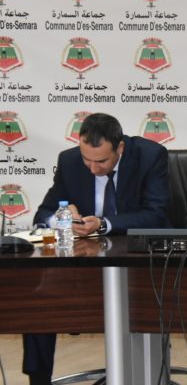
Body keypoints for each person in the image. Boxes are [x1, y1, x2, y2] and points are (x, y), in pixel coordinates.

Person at [26, 113, 170, 385]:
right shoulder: (69, 161)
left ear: (120, 148)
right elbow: (42, 215)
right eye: (87, 160)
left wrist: (103, 224)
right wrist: (63, 219)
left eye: (101, 161)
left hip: (140, 263)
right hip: (86, 264)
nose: (92, 168)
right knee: (38, 298)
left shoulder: (150, 156)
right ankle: (38, 379)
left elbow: (156, 215)